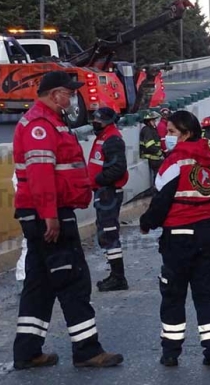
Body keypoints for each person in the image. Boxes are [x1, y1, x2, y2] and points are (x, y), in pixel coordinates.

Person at [12, 71, 123, 370]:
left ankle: (27, 351)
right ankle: (87, 351)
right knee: (73, 279)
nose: (73, 98)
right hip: (49, 212)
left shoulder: (50, 122)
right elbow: (40, 174)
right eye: (69, 93)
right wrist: (50, 215)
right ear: (55, 93)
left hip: (44, 211)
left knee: (40, 284)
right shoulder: (41, 125)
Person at [139, 111, 210, 368]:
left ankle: (171, 353)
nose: (166, 137)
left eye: (171, 132)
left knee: (173, 295)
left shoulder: (175, 162)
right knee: (206, 295)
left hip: (179, 237)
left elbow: (161, 199)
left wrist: (147, 223)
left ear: (186, 134)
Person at [88, 107, 129, 292]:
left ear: (107, 122)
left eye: (98, 120)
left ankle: (118, 277)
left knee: (109, 233)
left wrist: (98, 181)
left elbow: (118, 168)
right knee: (105, 234)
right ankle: (115, 274)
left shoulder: (112, 138)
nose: (94, 123)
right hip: (104, 192)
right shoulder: (105, 136)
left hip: (108, 192)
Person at [140, 111, 164, 184]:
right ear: (148, 121)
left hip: (155, 157)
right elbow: (150, 145)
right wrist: (159, 153)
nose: (154, 122)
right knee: (158, 175)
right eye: (153, 120)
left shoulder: (151, 129)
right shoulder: (147, 130)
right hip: (152, 158)